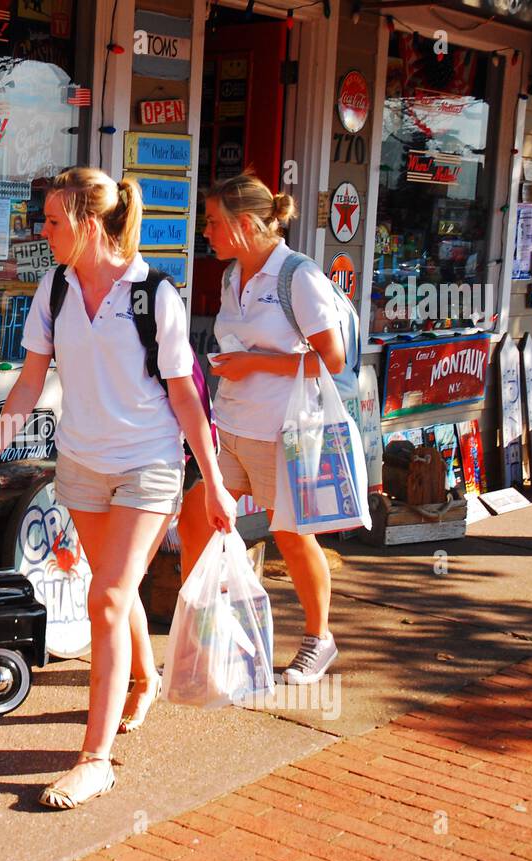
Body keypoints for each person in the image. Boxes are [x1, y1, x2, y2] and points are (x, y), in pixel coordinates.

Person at [0, 168, 236, 810]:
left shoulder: (153, 295)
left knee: (108, 596)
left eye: (54, 221)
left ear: (89, 225)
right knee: (113, 590)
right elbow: (31, 381)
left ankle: (94, 760)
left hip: (149, 465)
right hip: (82, 465)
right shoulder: (55, 289)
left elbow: (186, 397)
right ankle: (143, 679)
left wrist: (217, 485)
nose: (44, 230)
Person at [177, 172, 347, 685]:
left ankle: (320, 640)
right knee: (193, 521)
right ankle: (204, 639)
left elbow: (333, 360)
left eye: (212, 222)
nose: (204, 231)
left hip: (281, 433)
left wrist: (252, 364)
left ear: (245, 224)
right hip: (229, 428)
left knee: (293, 538)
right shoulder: (234, 274)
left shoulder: (298, 276)